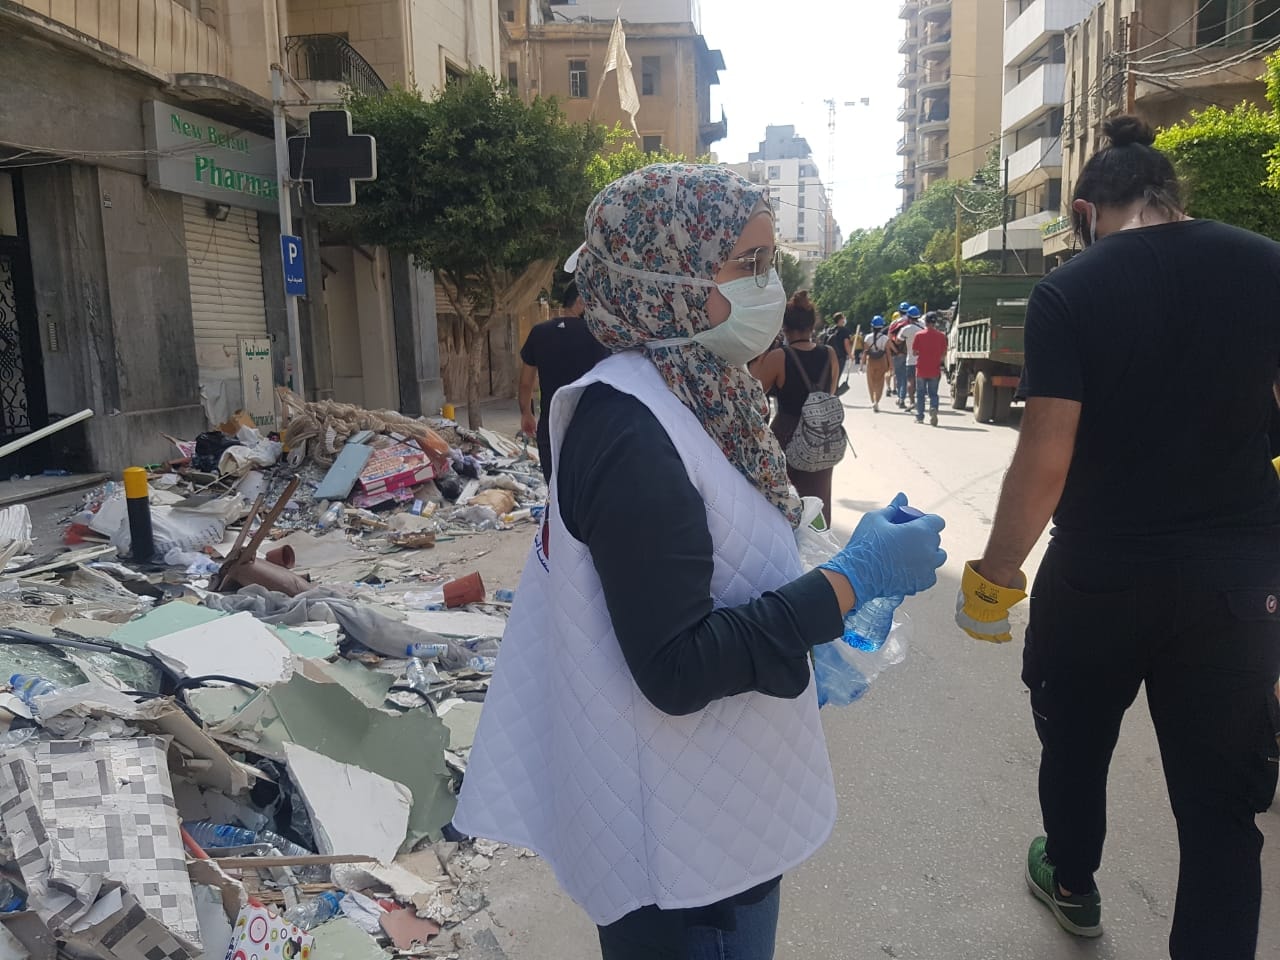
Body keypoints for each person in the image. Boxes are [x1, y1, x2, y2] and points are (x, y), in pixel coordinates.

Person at [455, 164, 947, 960]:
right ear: (666, 277)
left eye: (769, 262)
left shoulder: (697, 389)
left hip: (711, 809)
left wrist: (807, 572)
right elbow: (676, 667)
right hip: (686, 864)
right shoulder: (632, 430)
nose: (769, 285)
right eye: (748, 263)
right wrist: (853, 579)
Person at [955, 116, 1280, 960]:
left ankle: (1071, 882)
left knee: (1076, 744)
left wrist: (995, 576)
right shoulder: (1266, 265)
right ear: (1171, 194)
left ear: (1084, 211)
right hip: (1236, 584)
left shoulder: (1072, 290)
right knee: (1222, 809)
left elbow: (1046, 453)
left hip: (1100, 574)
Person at [750, 290, 841, 523]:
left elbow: (753, 392)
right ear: (812, 326)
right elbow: (829, 394)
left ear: (785, 327)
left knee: (785, 501)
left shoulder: (779, 357)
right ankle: (818, 538)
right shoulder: (829, 354)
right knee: (818, 497)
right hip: (822, 436)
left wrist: (762, 353)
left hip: (786, 434)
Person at [518, 281, 609, 482]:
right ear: (580, 301)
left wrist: (526, 413)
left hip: (550, 426)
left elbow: (525, 382)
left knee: (554, 485)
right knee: (584, 488)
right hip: (587, 427)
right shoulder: (598, 336)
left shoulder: (539, 332)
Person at [911, 312, 947, 426]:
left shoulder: (919, 335)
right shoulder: (941, 336)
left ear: (925, 322)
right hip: (934, 369)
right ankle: (933, 408)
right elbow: (943, 354)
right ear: (935, 322)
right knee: (933, 394)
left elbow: (914, 352)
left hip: (921, 369)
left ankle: (920, 417)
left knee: (920, 394)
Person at [863, 315, 892, 412]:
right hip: (882, 361)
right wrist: (891, 366)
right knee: (880, 382)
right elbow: (888, 353)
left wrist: (862, 364)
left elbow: (865, 352)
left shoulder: (867, 337)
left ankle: (873, 400)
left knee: (871, 382)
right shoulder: (885, 338)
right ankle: (877, 401)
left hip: (871, 361)